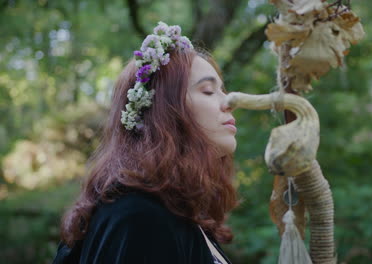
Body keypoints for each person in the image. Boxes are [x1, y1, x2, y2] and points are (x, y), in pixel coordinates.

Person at [52, 22, 239, 264]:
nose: (229, 101)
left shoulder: (179, 214)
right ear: (165, 110)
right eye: (207, 91)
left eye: (223, 90)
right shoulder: (140, 214)